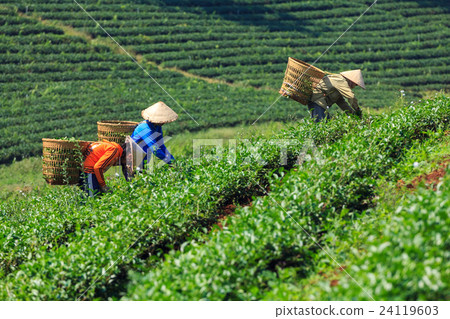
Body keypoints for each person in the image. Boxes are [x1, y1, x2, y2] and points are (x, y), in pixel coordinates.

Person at [130, 101, 178, 170]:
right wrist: (170, 162)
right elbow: (155, 150)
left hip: (144, 159)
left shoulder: (157, 127)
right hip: (134, 159)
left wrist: (173, 160)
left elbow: (161, 145)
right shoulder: (145, 128)